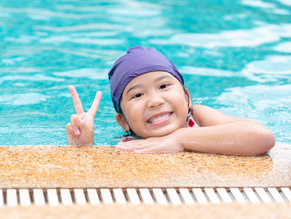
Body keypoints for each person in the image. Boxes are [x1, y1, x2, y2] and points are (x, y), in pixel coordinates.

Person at [66, 46, 275, 155]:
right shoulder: (129, 147)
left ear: (186, 98)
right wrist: (85, 148)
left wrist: (181, 138)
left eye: (164, 86)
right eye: (137, 95)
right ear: (123, 122)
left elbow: (261, 137)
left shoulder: (199, 117)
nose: (155, 101)